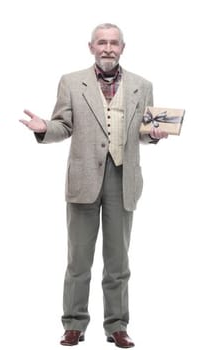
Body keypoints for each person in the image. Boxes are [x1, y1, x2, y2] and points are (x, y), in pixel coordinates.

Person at [20, 23, 166, 349]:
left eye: (114, 43)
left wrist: (153, 135)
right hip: (83, 179)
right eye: (102, 42)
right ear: (91, 47)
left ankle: (117, 326)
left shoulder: (143, 86)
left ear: (123, 48)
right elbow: (63, 125)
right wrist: (45, 128)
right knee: (78, 260)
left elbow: (144, 131)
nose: (108, 48)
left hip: (123, 179)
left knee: (118, 262)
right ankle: (74, 324)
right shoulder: (72, 82)